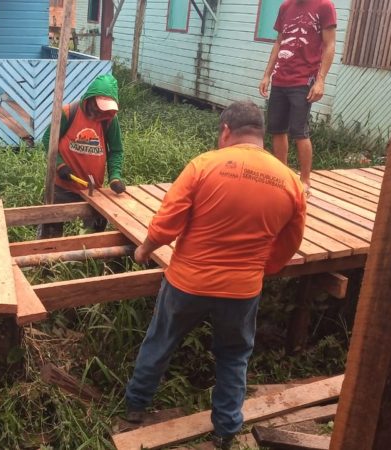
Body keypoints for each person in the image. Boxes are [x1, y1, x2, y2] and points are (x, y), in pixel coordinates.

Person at [124, 101, 306, 450]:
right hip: (242, 290)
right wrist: (263, 269)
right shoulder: (289, 181)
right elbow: (290, 241)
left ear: (225, 131)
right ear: (260, 135)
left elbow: (168, 222)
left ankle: (135, 406)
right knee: (234, 356)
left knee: (161, 341)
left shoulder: (204, 165)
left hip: (188, 283)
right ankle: (225, 430)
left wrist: (144, 250)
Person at [259, 0, 337, 194]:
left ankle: (305, 179)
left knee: (299, 131)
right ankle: (282, 175)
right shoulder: (285, 7)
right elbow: (279, 42)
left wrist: (320, 81)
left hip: (304, 80)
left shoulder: (324, 6)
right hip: (280, 78)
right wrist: (267, 74)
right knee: (277, 129)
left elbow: (330, 44)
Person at [38, 73, 126, 239]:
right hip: (62, 186)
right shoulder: (68, 112)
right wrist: (59, 164)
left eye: (104, 109)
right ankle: (49, 254)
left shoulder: (110, 119)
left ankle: (85, 255)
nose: (99, 113)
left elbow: (116, 150)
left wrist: (115, 176)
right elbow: (48, 139)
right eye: (98, 107)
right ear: (90, 99)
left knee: (92, 236)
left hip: (93, 190)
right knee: (51, 232)